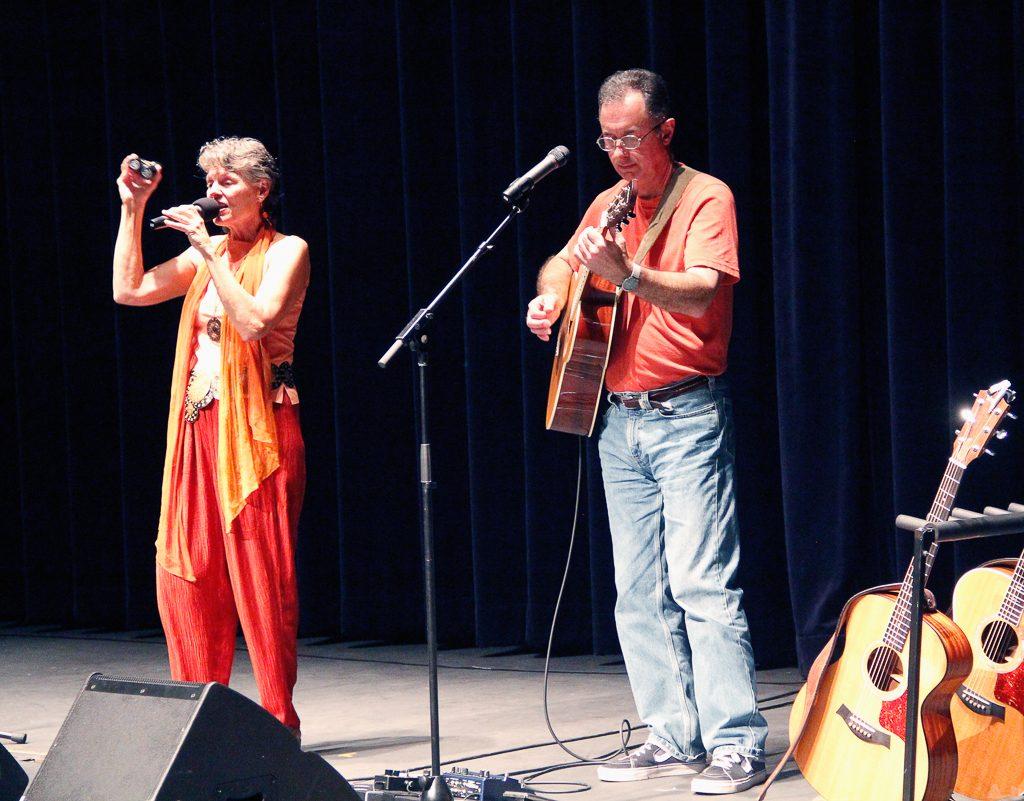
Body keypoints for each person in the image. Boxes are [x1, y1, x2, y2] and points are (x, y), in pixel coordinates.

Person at [526, 70, 768, 794]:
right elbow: (560, 265)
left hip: (686, 414)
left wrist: (626, 273)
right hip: (617, 419)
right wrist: (548, 296)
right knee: (636, 591)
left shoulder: (707, 196)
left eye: (632, 137)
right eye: (608, 140)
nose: (619, 153)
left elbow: (703, 288)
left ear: (665, 130)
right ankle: (670, 734)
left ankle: (736, 742)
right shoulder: (608, 201)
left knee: (703, 584)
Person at [112, 137, 310, 740]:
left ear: (261, 190)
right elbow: (131, 290)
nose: (214, 192)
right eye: (210, 181)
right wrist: (132, 207)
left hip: (259, 433)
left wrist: (206, 249)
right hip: (201, 427)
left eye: (226, 182)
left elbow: (253, 322)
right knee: (190, 570)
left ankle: (278, 724)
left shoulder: (287, 250)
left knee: (260, 574)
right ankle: (201, 720)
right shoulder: (210, 253)